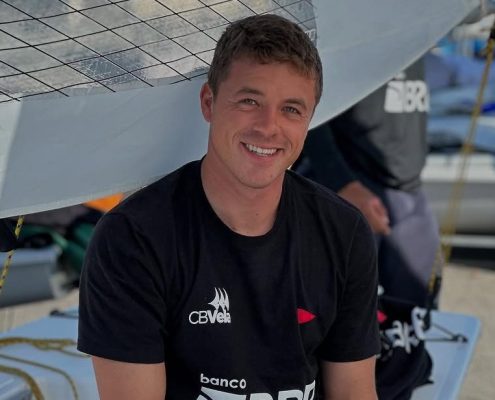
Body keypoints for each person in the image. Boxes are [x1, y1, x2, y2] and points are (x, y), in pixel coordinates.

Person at [78, 14, 380, 400]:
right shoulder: (134, 238)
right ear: (209, 102)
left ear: (309, 120)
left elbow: (354, 391)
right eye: (250, 101)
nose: (268, 127)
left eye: (291, 109)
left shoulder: (343, 232)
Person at [297, 57, 440, 307]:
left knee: (416, 314)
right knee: (334, 312)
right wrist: (343, 184)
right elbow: (308, 111)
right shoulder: (345, 37)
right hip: (353, 189)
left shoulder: (417, 35)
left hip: (411, 191)